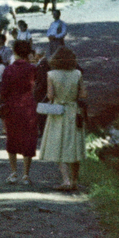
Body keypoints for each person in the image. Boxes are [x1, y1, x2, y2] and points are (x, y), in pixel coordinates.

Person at [39, 46, 88, 191]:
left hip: (58, 111)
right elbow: (83, 94)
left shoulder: (51, 74)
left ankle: (65, 180)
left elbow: (50, 96)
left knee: (58, 144)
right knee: (75, 145)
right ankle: (74, 181)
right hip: (74, 111)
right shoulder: (77, 73)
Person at [0, 38, 41, 183]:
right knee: (29, 138)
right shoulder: (32, 69)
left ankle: (14, 172)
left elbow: (3, 91)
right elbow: (37, 87)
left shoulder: (9, 69)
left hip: (12, 107)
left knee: (12, 138)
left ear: (15, 52)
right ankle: (26, 174)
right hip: (29, 106)